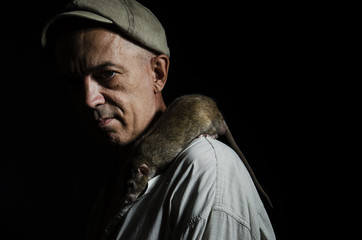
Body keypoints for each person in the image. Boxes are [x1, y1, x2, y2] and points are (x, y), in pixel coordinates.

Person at [41, 0, 276, 239]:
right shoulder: (116, 182)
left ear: (157, 74)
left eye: (108, 74)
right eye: (73, 81)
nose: (89, 99)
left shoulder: (205, 171)